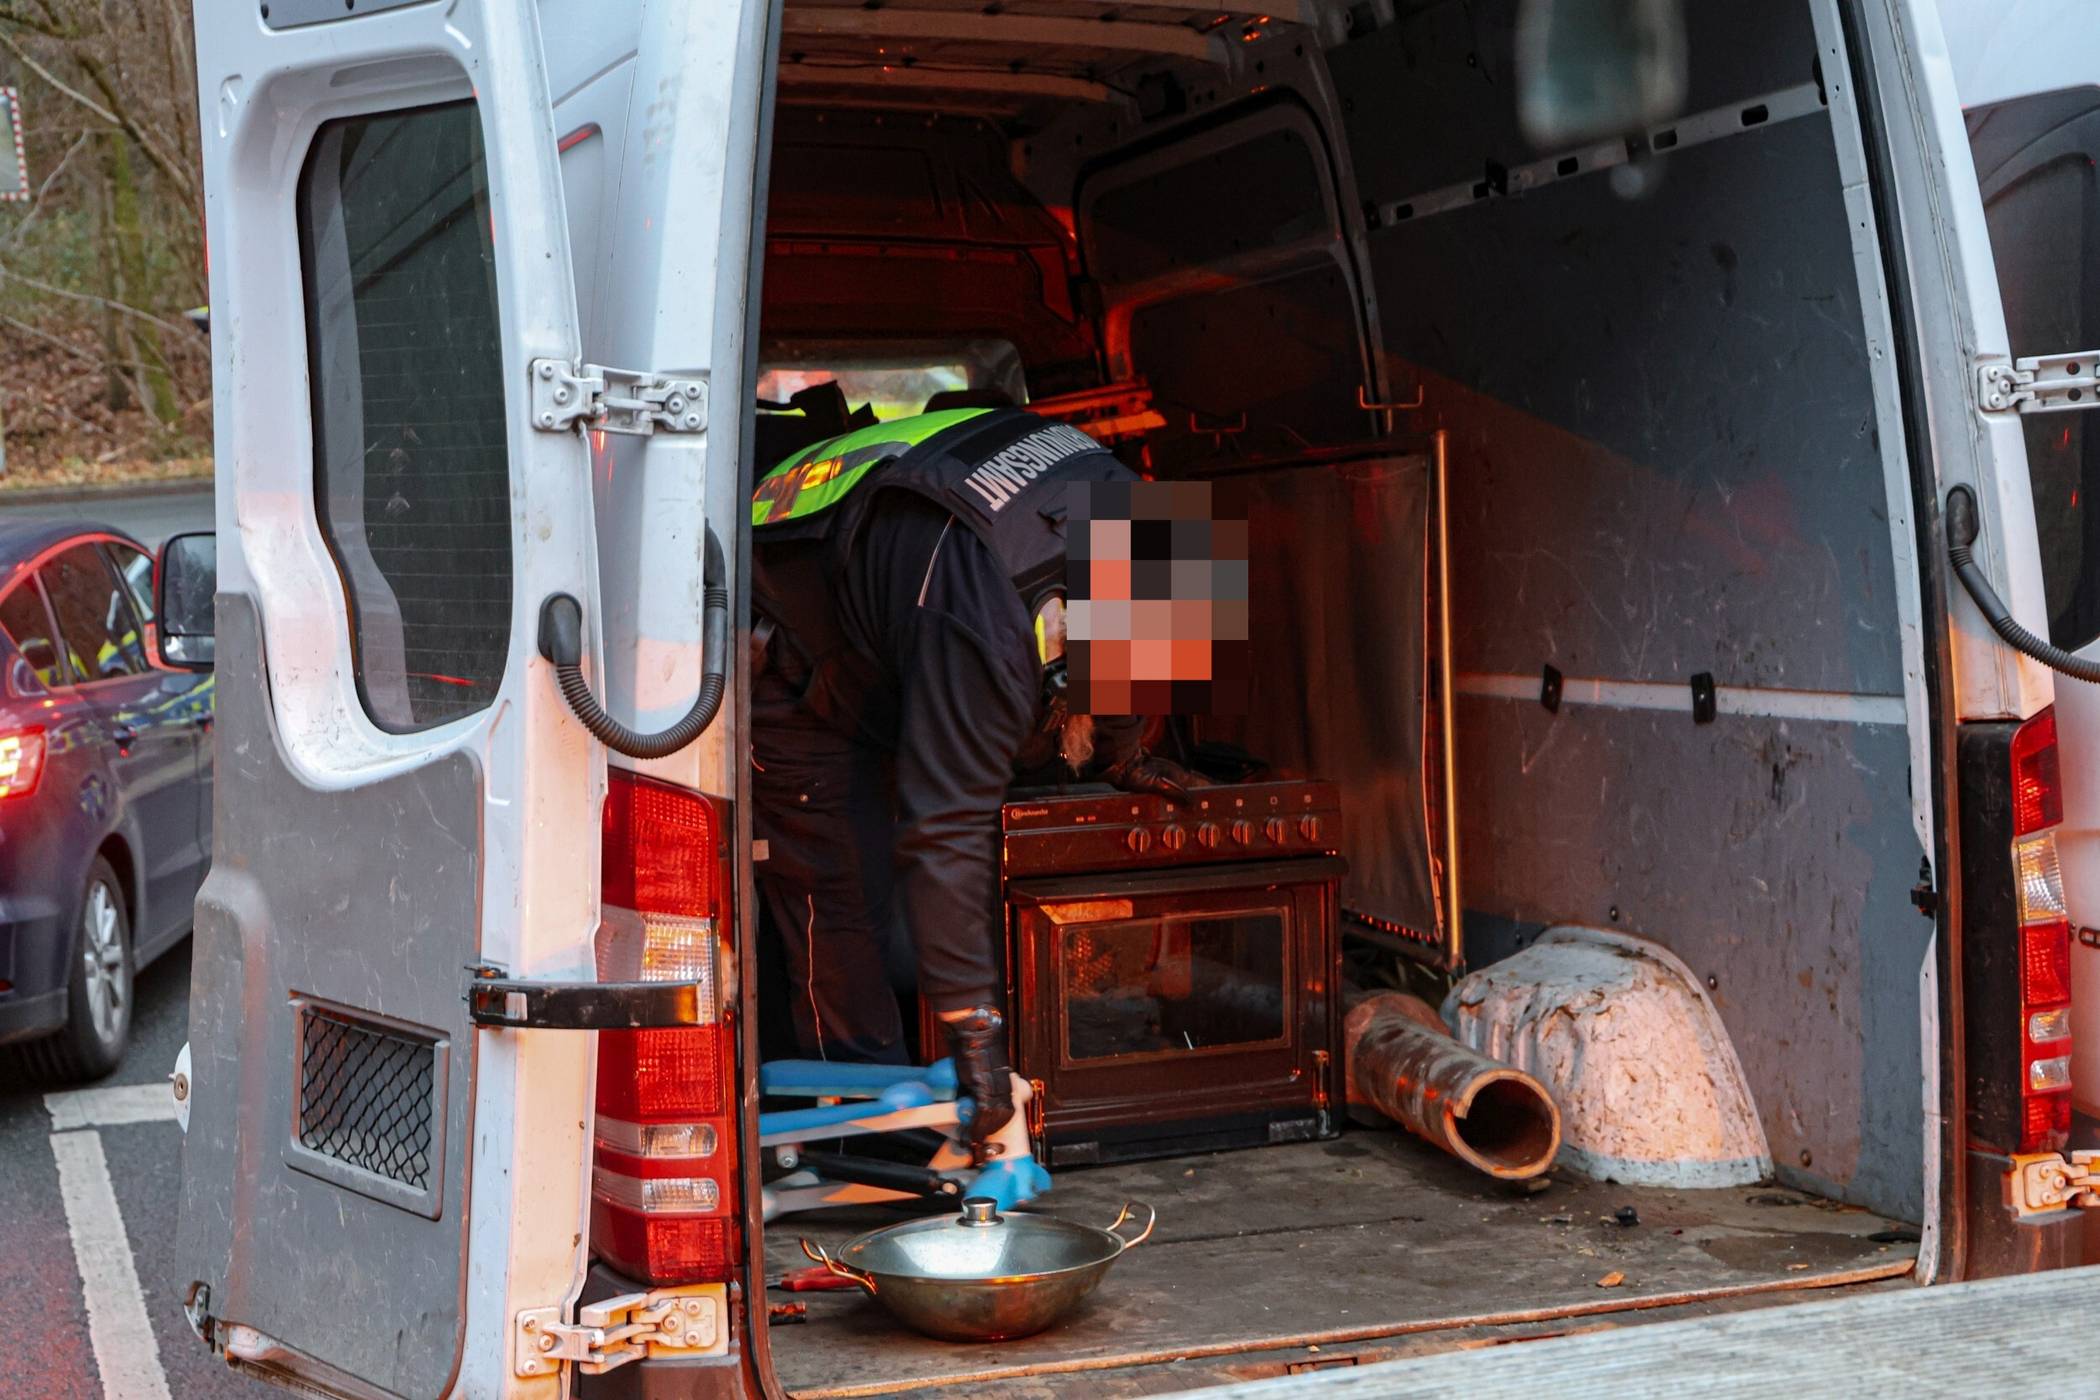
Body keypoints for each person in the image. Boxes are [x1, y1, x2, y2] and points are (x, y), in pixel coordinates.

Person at [749, 402, 1196, 1161]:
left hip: (897, 600)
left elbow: (1140, 659)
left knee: (917, 866)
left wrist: (1121, 753)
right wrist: (975, 1036)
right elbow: (944, 829)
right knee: (844, 898)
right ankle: (861, 1147)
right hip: (790, 643)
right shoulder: (987, 626)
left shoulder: (1146, 525)